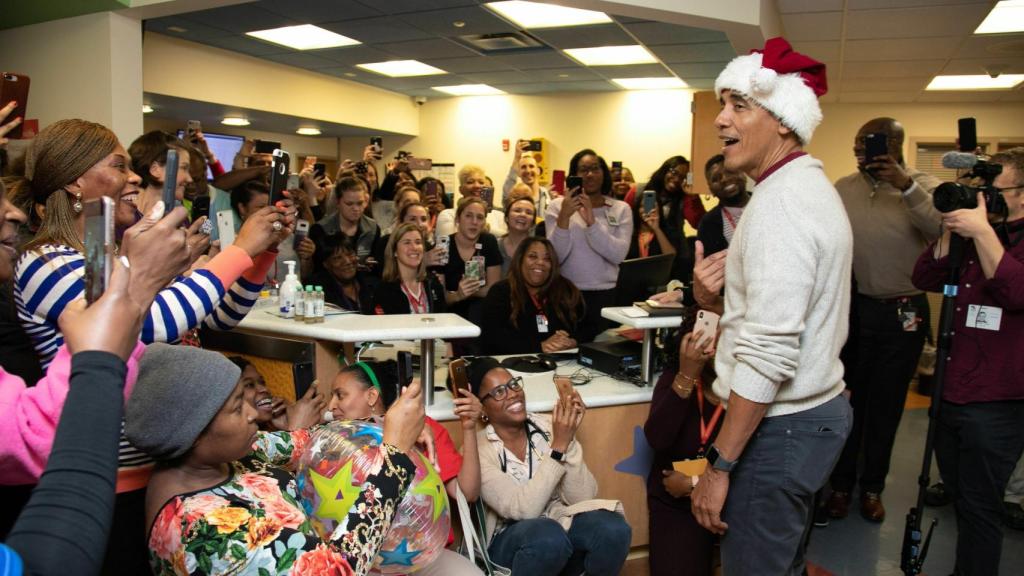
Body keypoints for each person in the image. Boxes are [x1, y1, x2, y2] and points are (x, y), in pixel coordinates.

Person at [689, 38, 853, 576]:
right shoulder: (802, 188)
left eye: (740, 105)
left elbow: (767, 353)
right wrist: (717, 300)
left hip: (777, 428)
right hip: (809, 415)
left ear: (783, 120)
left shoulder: (781, 206)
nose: (720, 120)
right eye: (723, 104)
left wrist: (721, 465)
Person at [1, 204, 195, 575]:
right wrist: (136, 286)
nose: (15, 212)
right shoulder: (47, 261)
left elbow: (26, 432)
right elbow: (51, 563)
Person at [126, 344, 426, 576]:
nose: (253, 414)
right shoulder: (205, 531)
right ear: (192, 432)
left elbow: (311, 442)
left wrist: (378, 428)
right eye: (236, 408)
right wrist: (394, 454)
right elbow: (335, 569)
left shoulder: (229, 457)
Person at [911, 147, 1024, 576]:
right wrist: (950, 230)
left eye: (995, 191)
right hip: (951, 392)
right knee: (961, 498)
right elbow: (924, 278)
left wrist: (982, 234)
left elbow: (1015, 293)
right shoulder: (972, 236)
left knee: (981, 508)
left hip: (997, 402)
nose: (984, 200)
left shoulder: (998, 239)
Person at [826, 117, 944, 523]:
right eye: (858, 143)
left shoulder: (922, 186)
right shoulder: (843, 188)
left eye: (872, 143)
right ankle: (840, 486)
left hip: (903, 311)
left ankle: (872, 487)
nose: (862, 150)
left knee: (887, 406)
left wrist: (904, 185)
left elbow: (939, 232)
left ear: (896, 145)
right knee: (847, 401)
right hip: (854, 309)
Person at [469, 357, 631, 575]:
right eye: (499, 392)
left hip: (558, 528)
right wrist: (558, 448)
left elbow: (583, 499)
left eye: (514, 384)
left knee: (613, 528)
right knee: (547, 536)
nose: (513, 393)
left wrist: (569, 441)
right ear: (482, 408)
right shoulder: (477, 450)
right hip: (510, 544)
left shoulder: (550, 426)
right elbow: (522, 510)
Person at [327, 360, 484, 576]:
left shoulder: (421, 427)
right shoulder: (334, 443)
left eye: (340, 395)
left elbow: (468, 493)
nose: (331, 405)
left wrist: (468, 427)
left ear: (372, 396)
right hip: (366, 561)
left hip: (424, 555)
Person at [644, 322, 722, 576]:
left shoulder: (747, 390)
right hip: (676, 503)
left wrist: (697, 481)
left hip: (734, 499)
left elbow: (757, 460)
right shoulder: (676, 378)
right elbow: (658, 438)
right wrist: (687, 376)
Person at [545, 149, 632, 339]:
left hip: (606, 296)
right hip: (565, 295)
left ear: (604, 173)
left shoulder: (620, 209)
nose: (590, 174)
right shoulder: (557, 207)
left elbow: (618, 255)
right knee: (563, 352)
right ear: (574, 175)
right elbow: (555, 257)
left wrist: (592, 222)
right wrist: (564, 217)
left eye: (595, 168)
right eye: (583, 169)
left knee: (601, 352)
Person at [481, 237, 587, 355]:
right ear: (520, 260)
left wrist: (572, 340)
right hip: (514, 363)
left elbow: (588, 327)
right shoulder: (501, 291)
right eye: (532, 256)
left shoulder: (565, 289)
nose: (540, 262)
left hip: (562, 362)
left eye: (547, 259)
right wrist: (539, 346)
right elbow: (493, 337)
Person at [231, 179, 314, 283]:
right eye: (261, 207)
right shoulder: (233, 243)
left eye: (270, 206)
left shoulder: (287, 236)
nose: (268, 212)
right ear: (242, 208)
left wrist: (306, 257)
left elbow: (306, 273)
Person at [441, 197, 502, 331]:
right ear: (457, 219)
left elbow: (493, 289)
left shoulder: (488, 242)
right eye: (468, 216)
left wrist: (469, 292)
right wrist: (458, 295)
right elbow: (440, 297)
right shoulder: (444, 245)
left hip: (482, 315)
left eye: (480, 217)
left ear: (484, 222)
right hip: (451, 317)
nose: (474, 222)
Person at [310, 175, 382, 283]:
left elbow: (377, 266)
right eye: (349, 204)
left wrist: (370, 264)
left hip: (364, 285)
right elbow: (317, 269)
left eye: (360, 203)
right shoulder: (321, 229)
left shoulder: (373, 228)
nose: (356, 209)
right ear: (338, 203)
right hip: (330, 286)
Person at [232, 356, 326, 432]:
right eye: (249, 385)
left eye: (262, 382)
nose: (264, 389)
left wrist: (286, 427)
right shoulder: (235, 442)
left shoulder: (263, 436)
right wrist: (297, 429)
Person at [369, 223, 446, 315]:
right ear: (395, 251)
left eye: (418, 242)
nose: (414, 247)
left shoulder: (433, 283)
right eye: (407, 242)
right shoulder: (384, 291)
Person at [127, 130, 193, 218]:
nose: (189, 179)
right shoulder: (125, 220)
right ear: (155, 169)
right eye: (184, 168)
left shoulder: (177, 215)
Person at [696, 154, 750, 258]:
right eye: (716, 179)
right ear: (711, 189)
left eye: (730, 172)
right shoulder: (708, 223)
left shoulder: (766, 203)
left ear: (743, 173)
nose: (724, 179)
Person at [435, 165, 507, 238]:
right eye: (470, 182)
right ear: (461, 189)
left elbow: (508, 239)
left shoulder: (499, 216)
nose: (477, 186)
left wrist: (488, 229)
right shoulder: (448, 215)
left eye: (481, 182)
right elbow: (444, 245)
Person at [311, 234, 370, 312]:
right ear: (326, 264)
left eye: (350, 254)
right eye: (338, 258)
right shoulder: (317, 292)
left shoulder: (370, 285)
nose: (348, 262)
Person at [502, 140, 552, 214]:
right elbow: (507, 195)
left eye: (531, 166)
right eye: (523, 167)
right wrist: (517, 157)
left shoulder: (547, 195)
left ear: (538, 171)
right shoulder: (515, 195)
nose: (528, 171)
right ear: (518, 173)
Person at [626, 187, 676, 260]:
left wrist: (657, 229)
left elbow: (671, 258)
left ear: (659, 209)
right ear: (637, 209)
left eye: (652, 207)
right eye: (642, 206)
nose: (647, 210)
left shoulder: (669, 231)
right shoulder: (629, 232)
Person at [498, 195, 536, 276]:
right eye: (517, 210)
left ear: (533, 223)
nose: (523, 215)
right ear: (506, 218)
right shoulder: (495, 246)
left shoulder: (538, 249)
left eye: (529, 213)